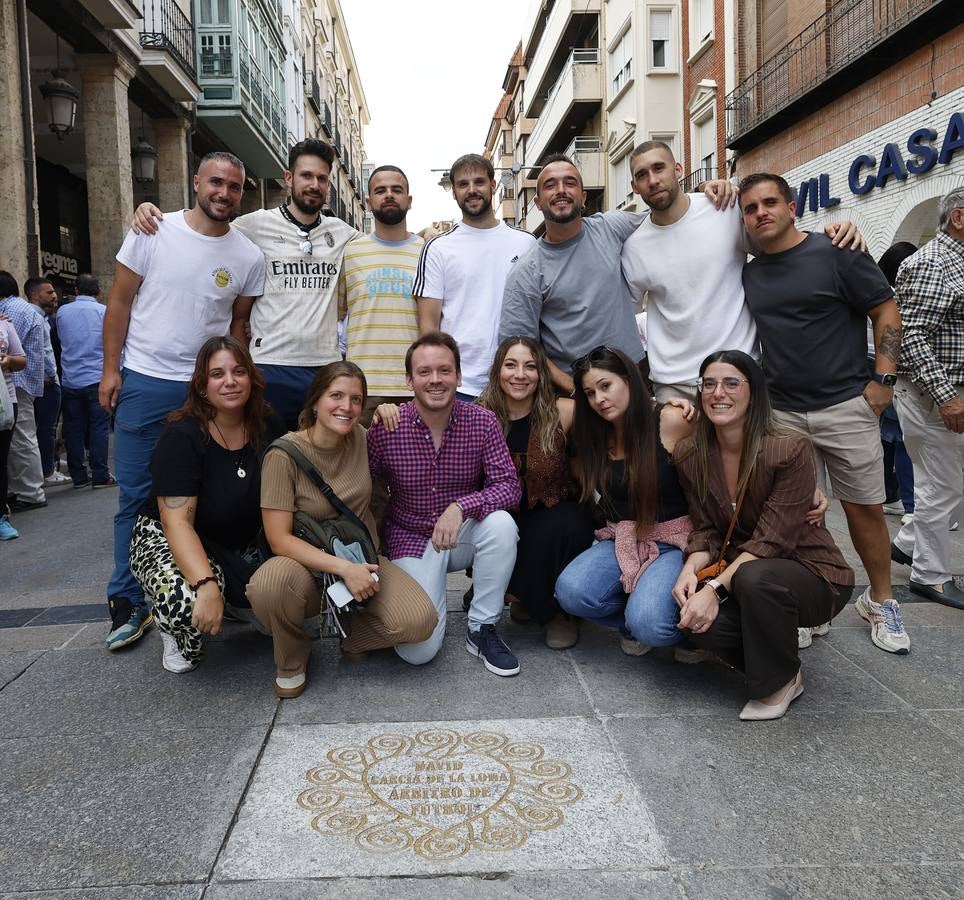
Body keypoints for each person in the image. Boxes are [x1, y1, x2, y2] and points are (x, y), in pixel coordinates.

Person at [738, 172, 909, 655]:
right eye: (750, 208)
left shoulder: (838, 251)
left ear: (792, 206)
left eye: (769, 202)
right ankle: (810, 604)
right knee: (796, 516)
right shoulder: (750, 272)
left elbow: (886, 311)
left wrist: (884, 381)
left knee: (866, 509)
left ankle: (881, 599)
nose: (760, 213)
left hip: (844, 404)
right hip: (782, 412)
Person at [100, 151, 265, 652]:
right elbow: (120, 301)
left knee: (201, 494)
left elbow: (237, 326)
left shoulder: (248, 256)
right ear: (196, 182)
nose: (224, 193)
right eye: (216, 182)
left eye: (234, 187)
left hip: (206, 391)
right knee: (134, 494)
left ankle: (207, 582)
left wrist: (240, 381)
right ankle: (128, 600)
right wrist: (111, 370)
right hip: (147, 380)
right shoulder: (153, 230)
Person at [672, 351, 855, 720]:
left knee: (754, 577)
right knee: (697, 624)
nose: (717, 392)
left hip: (813, 574)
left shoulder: (788, 448)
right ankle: (787, 666)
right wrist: (689, 571)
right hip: (746, 577)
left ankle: (778, 683)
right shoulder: (691, 454)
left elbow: (773, 540)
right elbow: (706, 527)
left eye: (731, 383)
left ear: (753, 392)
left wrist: (713, 590)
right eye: (708, 384)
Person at [133, 139, 358, 429]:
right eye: (306, 176)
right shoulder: (252, 225)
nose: (314, 184)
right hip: (268, 366)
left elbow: (380, 245)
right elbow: (200, 229)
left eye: (322, 178)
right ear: (288, 178)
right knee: (267, 461)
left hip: (324, 368)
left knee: (319, 462)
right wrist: (149, 211)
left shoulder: (344, 235)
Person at [246, 361, 437, 698]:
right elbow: (278, 539)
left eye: (356, 400)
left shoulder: (364, 438)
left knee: (420, 622)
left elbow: (417, 426)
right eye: (336, 396)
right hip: (304, 567)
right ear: (315, 401)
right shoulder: (283, 455)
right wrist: (343, 569)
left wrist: (392, 410)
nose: (346, 407)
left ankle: (353, 636)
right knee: (268, 585)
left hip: (361, 557)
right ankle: (292, 655)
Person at [620, 141, 865, 402]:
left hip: (741, 372)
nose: (653, 180)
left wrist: (828, 237)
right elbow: (626, 321)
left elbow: (784, 249)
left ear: (678, 169)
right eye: (642, 175)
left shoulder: (723, 208)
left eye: (659, 168)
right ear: (635, 187)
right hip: (675, 385)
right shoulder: (634, 247)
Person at [367, 332, 522, 673]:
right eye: (424, 372)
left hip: (460, 533)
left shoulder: (482, 421)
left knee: (501, 525)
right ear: (409, 380)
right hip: (410, 536)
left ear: (459, 376)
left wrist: (461, 507)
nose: (435, 379)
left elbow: (509, 486)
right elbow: (360, 482)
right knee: (418, 651)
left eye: (444, 370)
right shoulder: (387, 427)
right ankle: (391, 612)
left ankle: (481, 628)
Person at [128, 337, 283, 673]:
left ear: (251, 379)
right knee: (190, 604)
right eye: (217, 374)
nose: (229, 381)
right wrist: (206, 584)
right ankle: (172, 627)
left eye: (238, 371)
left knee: (279, 614)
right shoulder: (182, 435)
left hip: (230, 543)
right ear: (201, 386)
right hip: (167, 538)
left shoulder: (266, 424)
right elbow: (176, 524)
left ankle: (232, 599)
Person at [554, 346, 696, 655]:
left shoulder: (670, 419)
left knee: (651, 623)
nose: (599, 399)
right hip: (623, 536)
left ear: (629, 380)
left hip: (676, 539)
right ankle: (636, 619)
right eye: (590, 393)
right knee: (570, 592)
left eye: (606, 386)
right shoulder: (594, 435)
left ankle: (686, 632)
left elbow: (724, 443)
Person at [475, 337, 594, 648]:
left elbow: (611, 409)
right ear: (497, 371)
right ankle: (523, 596)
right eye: (510, 365)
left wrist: (673, 407)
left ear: (542, 373)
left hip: (552, 511)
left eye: (530, 366)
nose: (520, 374)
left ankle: (558, 613)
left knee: (571, 521)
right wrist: (388, 411)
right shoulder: (477, 415)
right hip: (499, 515)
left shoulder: (563, 411)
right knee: (499, 529)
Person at [890, 189, 964, 610]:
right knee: (941, 487)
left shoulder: (955, 261)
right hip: (932, 398)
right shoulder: (931, 263)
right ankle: (931, 576)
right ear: (958, 218)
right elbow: (911, 337)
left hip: (946, 395)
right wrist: (947, 396)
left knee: (949, 487)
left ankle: (906, 543)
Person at [413, 153, 534, 399]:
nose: (472, 190)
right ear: (454, 192)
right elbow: (428, 328)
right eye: (462, 184)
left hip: (517, 382)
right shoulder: (438, 248)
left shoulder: (526, 243)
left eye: (479, 182)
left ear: (493, 185)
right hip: (460, 386)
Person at [338, 164, 421, 422]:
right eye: (380, 190)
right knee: (361, 463)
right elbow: (336, 315)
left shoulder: (429, 252)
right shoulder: (351, 253)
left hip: (416, 387)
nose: (389, 195)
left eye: (397, 190)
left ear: (409, 199)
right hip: (363, 388)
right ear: (368, 201)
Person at [56, 274, 113, 489]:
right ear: (98, 292)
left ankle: (78, 475)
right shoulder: (103, 312)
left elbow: (61, 340)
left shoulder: (62, 312)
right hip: (96, 377)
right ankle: (100, 475)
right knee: (99, 427)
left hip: (70, 378)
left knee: (73, 427)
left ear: (76, 291)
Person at [876, 242, 918, 520]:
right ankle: (912, 506)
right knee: (902, 442)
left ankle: (891, 495)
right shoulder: (899, 299)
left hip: (877, 374)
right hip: (896, 376)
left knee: (886, 440)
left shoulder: (876, 294)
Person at [0, 271, 47, 513]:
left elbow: (8, 347)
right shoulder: (23, 308)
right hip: (23, 381)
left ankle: (30, 493)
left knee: (21, 439)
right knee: (24, 437)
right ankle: (27, 490)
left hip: (15, 383)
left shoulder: (10, 312)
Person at [24, 277, 67, 486]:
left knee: (42, 428)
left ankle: (45, 468)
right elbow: (41, 351)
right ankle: (48, 471)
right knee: (46, 428)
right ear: (34, 295)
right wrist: (50, 375)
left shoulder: (40, 316)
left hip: (41, 381)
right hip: (46, 382)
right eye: (48, 292)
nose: (54, 295)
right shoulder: (34, 316)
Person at [0, 314, 27, 540]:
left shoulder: (4, 324)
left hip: (4, 402)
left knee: (1, 461)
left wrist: (8, 361)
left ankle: (1, 518)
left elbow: (21, 360)